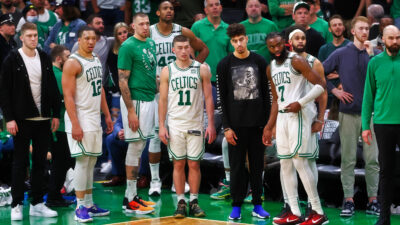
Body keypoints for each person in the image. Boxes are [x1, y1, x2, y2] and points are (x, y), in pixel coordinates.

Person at [264, 31, 328, 225]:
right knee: (285, 163)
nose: (276, 49)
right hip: (282, 118)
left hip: (299, 116)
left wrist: (301, 102)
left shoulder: (297, 61)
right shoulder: (271, 67)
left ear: (285, 43)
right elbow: (275, 100)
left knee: (300, 162)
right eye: (272, 47)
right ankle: (293, 211)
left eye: (278, 45)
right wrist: (269, 126)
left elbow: (321, 85)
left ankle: (318, 212)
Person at [147, 0, 209, 196]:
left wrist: (190, 71)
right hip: (157, 91)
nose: (169, 11)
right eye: (165, 8)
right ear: (157, 12)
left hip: (179, 88)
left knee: (176, 137)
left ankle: (178, 184)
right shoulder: (148, 32)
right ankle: (155, 181)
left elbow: (204, 49)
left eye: (172, 8)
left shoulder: (182, 31)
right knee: (156, 137)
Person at [0, 22, 61, 221]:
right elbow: (4, 91)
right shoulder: (12, 59)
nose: (34, 39)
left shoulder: (43, 57)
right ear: (22, 37)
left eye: (36, 35)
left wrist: (56, 114)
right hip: (21, 120)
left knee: (41, 162)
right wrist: (9, 118)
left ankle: (37, 203)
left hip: (43, 119)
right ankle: (16, 204)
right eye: (30, 36)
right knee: (20, 162)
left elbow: (52, 86)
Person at [322, 16, 381, 217]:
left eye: (367, 29)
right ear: (353, 31)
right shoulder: (340, 53)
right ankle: (348, 200)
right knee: (348, 159)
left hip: (371, 115)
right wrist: (334, 91)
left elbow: (380, 79)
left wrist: (372, 55)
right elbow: (319, 72)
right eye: (361, 29)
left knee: (372, 159)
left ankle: (373, 200)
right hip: (348, 113)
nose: (365, 32)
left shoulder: (376, 55)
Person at [158, 34, 216, 218]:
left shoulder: (202, 69)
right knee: (178, 164)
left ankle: (194, 201)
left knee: (194, 164)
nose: (184, 51)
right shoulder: (167, 71)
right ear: (173, 50)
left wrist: (211, 124)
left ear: (191, 49)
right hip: (175, 124)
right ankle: (181, 202)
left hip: (196, 123)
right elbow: (163, 100)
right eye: (180, 48)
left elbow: (208, 98)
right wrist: (161, 125)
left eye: (186, 47)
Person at [217, 23, 270, 220]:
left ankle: (257, 204)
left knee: (257, 167)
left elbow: (267, 94)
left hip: (257, 125)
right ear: (231, 42)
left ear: (247, 38)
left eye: (241, 39)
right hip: (236, 126)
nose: (238, 44)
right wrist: (227, 127)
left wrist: (268, 125)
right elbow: (221, 98)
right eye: (234, 41)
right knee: (237, 167)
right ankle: (236, 206)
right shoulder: (224, 64)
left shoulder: (259, 61)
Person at [62, 26, 113, 223]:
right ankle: (80, 207)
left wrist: (107, 115)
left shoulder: (96, 60)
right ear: (79, 40)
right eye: (87, 38)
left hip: (94, 117)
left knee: (91, 162)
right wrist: (75, 124)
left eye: (94, 39)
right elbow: (68, 96)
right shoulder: (72, 63)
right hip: (80, 116)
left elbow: (99, 89)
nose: (91, 42)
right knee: (82, 163)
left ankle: (90, 203)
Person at [118, 12, 157, 214]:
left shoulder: (150, 43)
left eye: (147, 23)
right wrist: (131, 111)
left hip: (149, 99)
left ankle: (131, 195)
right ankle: (129, 199)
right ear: (133, 26)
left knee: (140, 145)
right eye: (141, 24)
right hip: (136, 101)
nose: (145, 27)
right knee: (134, 147)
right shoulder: (128, 46)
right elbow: (122, 80)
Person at [362, 25, 400, 225]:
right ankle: (384, 217)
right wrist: (365, 126)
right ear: (383, 39)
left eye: (398, 38)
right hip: (383, 123)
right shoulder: (375, 63)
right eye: (391, 38)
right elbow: (368, 96)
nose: (395, 41)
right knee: (386, 171)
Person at [46, 45, 74, 207]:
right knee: (61, 161)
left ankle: (55, 194)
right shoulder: (58, 76)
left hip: (59, 125)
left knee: (63, 161)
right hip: (59, 126)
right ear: (59, 59)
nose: (70, 60)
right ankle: (53, 196)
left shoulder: (55, 73)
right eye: (67, 57)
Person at [191, 0, 230, 85]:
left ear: (221, 8)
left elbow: (231, 53)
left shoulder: (228, 28)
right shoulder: (197, 26)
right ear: (206, 10)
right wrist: (193, 69)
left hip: (223, 76)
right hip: (201, 76)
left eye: (217, 5)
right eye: (211, 5)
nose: (215, 7)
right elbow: (190, 49)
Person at [317, 14, 350, 108]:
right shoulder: (324, 49)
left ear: (343, 27)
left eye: (340, 24)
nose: (338, 27)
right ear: (330, 29)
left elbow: (353, 72)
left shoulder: (351, 46)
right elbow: (319, 74)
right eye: (334, 25)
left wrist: (339, 73)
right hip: (328, 94)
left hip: (347, 93)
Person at [72, 14, 113, 86]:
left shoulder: (107, 41)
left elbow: (122, 36)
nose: (101, 25)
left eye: (102, 23)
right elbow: (71, 65)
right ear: (89, 25)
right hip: (82, 86)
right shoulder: (78, 44)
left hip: (100, 86)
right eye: (98, 23)